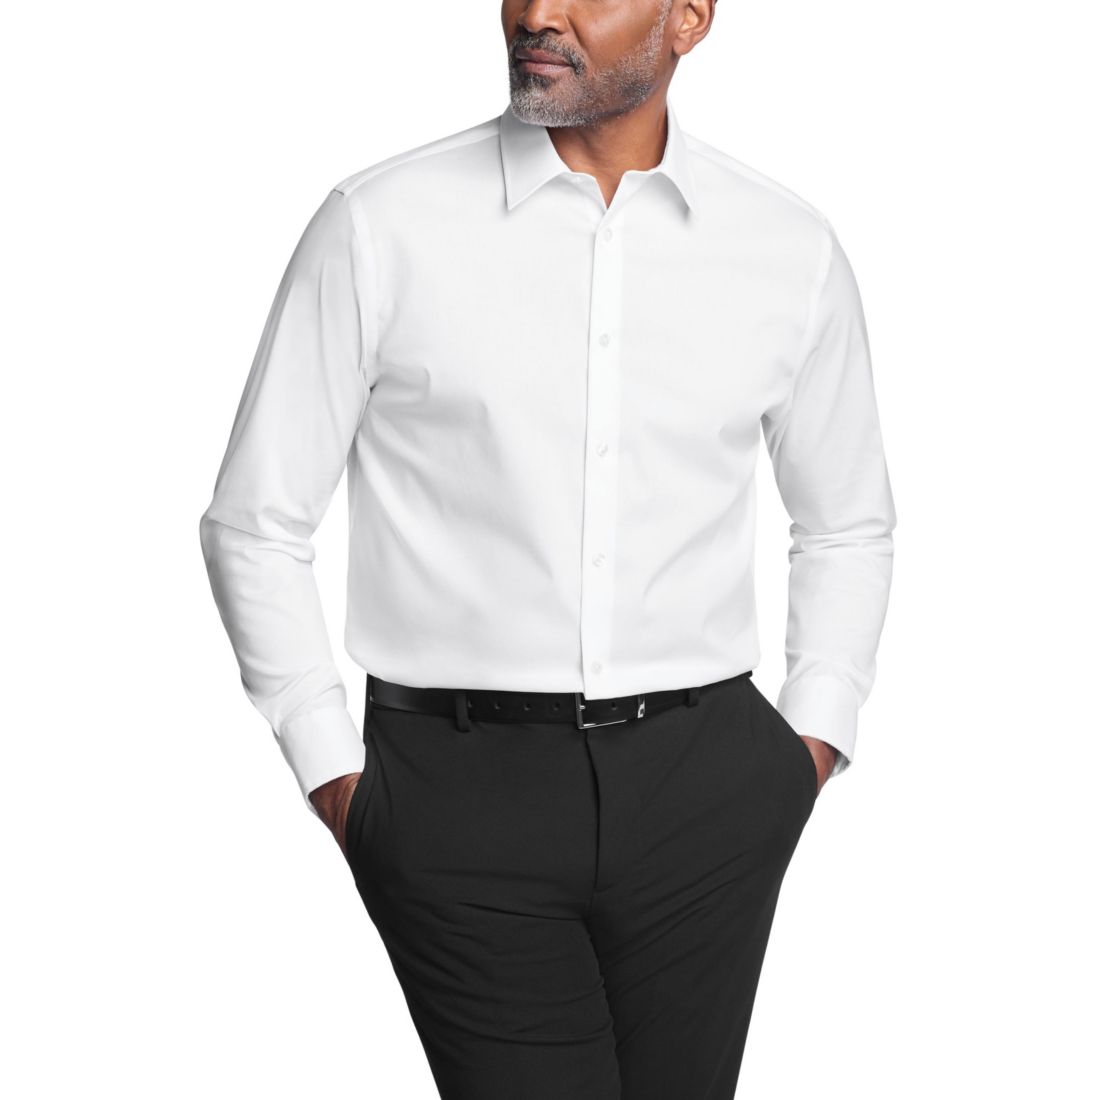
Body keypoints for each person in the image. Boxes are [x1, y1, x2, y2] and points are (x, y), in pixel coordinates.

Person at [198, 1, 896, 1096]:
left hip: (709, 783)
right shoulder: (379, 225)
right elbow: (255, 519)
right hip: (456, 791)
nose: (535, 12)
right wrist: (334, 771)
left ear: (689, 17)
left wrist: (806, 745)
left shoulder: (785, 248)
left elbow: (846, 520)